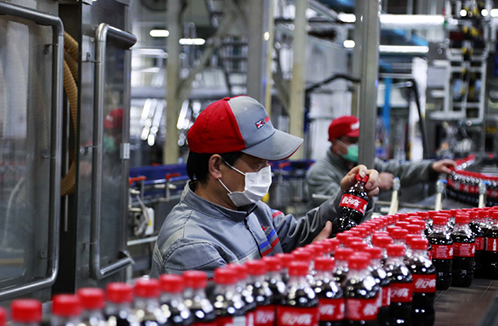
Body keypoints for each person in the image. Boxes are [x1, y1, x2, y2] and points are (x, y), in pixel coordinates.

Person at [150, 96, 380, 276]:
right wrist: (305, 269)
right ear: (217, 166)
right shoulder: (192, 245)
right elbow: (233, 323)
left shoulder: (247, 209)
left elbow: (299, 235)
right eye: (258, 163)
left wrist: (350, 196)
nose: (266, 170)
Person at [306, 115, 457, 197]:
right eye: (352, 141)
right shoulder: (320, 172)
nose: (358, 146)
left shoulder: (363, 161)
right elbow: (337, 202)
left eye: (360, 140)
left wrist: (431, 167)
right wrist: (373, 183)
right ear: (334, 143)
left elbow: (397, 170)